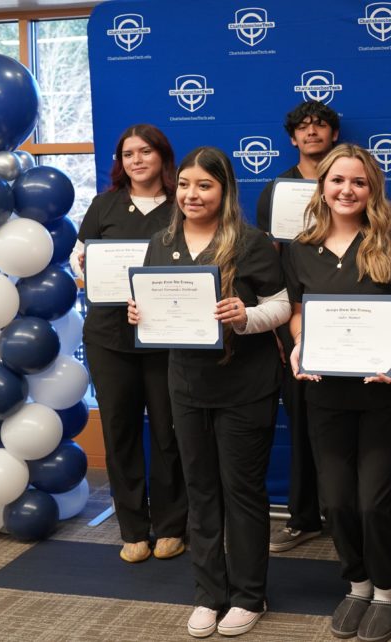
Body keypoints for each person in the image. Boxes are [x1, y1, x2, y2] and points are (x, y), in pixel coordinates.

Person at [128, 146, 291, 638]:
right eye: (184, 185)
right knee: (199, 490)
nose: (192, 194)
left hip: (246, 386)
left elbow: (281, 305)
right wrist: (141, 315)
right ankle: (208, 595)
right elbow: (156, 304)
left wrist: (245, 318)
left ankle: (247, 595)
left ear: (224, 190)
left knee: (241, 492)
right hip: (187, 385)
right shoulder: (161, 241)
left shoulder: (251, 242)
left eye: (204, 185)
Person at [284, 144, 391, 642]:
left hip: (389, 392)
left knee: (374, 503)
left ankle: (387, 590)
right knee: (337, 503)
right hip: (327, 393)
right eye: (337, 180)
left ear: (373, 189)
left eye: (359, 182)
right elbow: (299, 309)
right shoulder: (301, 245)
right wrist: (301, 344)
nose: (347, 190)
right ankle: (357, 583)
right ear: (322, 185)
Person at [71, 124, 187, 564]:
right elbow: (80, 257)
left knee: (167, 433)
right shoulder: (104, 205)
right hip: (109, 337)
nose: (136, 160)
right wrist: (82, 264)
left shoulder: (181, 204)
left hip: (165, 337)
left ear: (162, 156)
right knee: (119, 433)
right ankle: (133, 528)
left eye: (145, 152)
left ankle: (173, 525)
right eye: (127, 154)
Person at [257, 100, 340, 554]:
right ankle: (304, 517)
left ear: (332, 135)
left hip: (347, 314)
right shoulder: (277, 189)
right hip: (293, 315)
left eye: (320, 126)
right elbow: (268, 255)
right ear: (293, 138)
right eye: (303, 128)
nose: (312, 133)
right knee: (303, 416)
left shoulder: (348, 183)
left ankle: (345, 513)